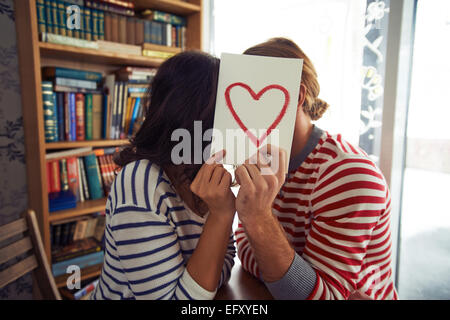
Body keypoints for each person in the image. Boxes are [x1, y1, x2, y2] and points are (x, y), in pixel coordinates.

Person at [234, 37, 398, 300]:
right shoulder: (264, 159)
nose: (237, 113)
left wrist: (260, 220)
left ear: (294, 96)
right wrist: (290, 275)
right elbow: (244, 246)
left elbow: (319, 298)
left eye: (251, 94)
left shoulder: (350, 175)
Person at [91, 51, 236, 300]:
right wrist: (222, 215)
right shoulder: (139, 182)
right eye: (227, 112)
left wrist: (198, 279)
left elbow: (226, 262)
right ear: (194, 117)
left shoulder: (199, 174)